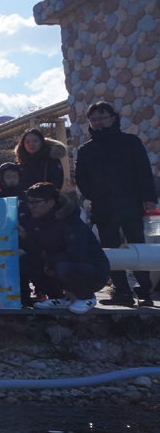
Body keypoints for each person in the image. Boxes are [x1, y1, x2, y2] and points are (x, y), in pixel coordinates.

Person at [75, 101, 157, 306]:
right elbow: (81, 178)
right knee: (110, 250)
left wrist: (148, 198)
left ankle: (144, 292)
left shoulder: (130, 142)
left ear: (113, 117)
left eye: (101, 118)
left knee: (138, 247)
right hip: (103, 207)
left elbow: (144, 172)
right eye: (93, 120)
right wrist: (94, 195)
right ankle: (122, 292)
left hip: (131, 204)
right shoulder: (86, 150)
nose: (98, 123)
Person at [20, 183, 110, 314]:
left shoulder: (71, 221)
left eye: (36, 202)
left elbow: (76, 254)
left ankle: (87, 298)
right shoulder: (36, 221)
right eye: (30, 202)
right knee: (26, 260)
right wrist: (24, 238)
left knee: (63, 267)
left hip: (93, 271)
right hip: (60, 266)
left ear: (51, 202)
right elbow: (37, 251)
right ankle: (58, 298)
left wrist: (51, 263)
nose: (31, 207)